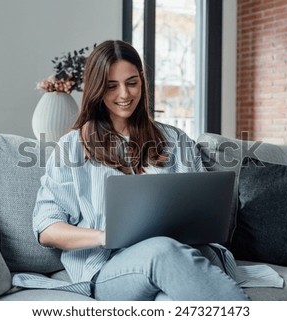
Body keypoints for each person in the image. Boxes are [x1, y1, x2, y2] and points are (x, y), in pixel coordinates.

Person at [25, 40, 249, 301]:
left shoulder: (175, 139)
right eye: (112, 86)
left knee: (169, 299)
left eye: (132, 82)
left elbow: (207, 210)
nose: (124, 94)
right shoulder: (72, 147)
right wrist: (105, 236)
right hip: (112, 268)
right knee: (161, 250)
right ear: (97, 89)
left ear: (142, 81)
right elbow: (47, 230)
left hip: (186, 255)